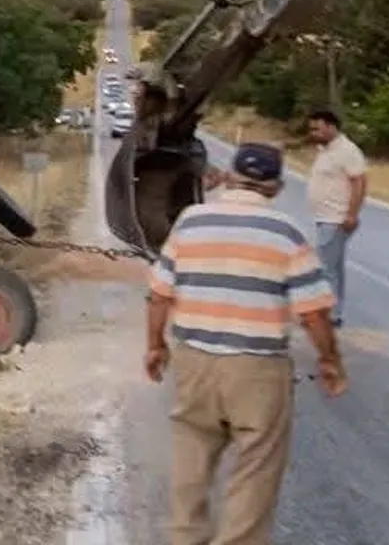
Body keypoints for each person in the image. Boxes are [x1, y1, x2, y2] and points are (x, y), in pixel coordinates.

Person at [145, 142, 347, 545]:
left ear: (230, 177)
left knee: (191, 460)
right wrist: (330, 360)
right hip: (258, 370)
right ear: (277, 187)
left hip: (195, 360)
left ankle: (184, 538)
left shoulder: (191, 221)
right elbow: (313, 313)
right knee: (256, 470)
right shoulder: (286, 232)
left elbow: (160, 294)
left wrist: (155, 346)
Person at [305, 109, 367, 327]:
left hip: (336, 217)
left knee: (324, 268)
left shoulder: (347, 150)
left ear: (331, 127)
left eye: (318, 128)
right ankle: (334, 313)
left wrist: (352, 214)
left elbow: (359, 182)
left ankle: (326, 315)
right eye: (312, 129)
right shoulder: (325, 150)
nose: (313, 133)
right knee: (335, 267)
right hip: (325, 216)